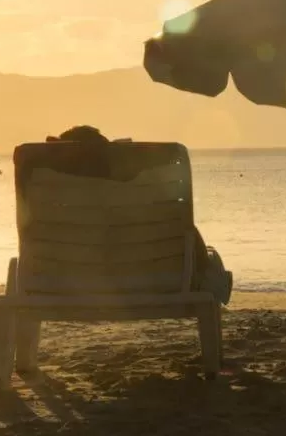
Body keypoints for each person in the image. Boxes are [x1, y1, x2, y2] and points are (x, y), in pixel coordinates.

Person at [47, 126, 232, 305]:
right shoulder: (150, 210)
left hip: (71, 285)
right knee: (209, 256)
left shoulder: (58, 220)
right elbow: (192, 248)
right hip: (161, 283)